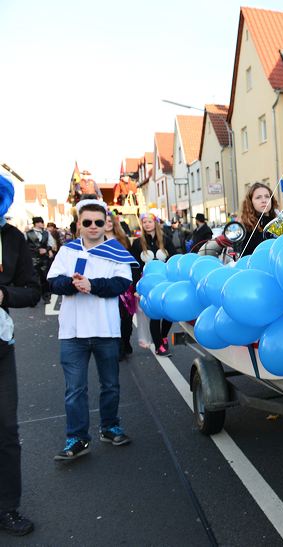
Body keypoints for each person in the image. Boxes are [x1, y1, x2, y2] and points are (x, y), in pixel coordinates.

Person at [47, 199, 136, 461]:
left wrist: (92, 285)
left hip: (106, 330)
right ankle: (77, 438)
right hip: (72, 333)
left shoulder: (116, 251)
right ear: (79, 225)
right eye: (88, 222)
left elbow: (121, 283)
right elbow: (53, 282)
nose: (94, 227)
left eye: (99, 222)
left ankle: (109, 427)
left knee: (110, 384)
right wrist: (74, 285)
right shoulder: (67, 251)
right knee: (75, 388)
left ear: (105, 223)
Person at [0, 175, 40, 536]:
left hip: (0, 348)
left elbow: (32, 292)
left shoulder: (11, 238)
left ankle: (7, 508)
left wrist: (3, 297)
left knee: (6, 430)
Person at [129, 213, 176, 356]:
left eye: (149, 221)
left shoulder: (166, 240)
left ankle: (163, 336)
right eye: (144, 222)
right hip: (148, 284)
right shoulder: (137, 243)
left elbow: (174, 260)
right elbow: (134, 266)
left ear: (155, 223)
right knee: (154, 313)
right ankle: (158, 345)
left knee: (168, 313)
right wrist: (136, 287)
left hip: (166, 282)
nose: (147, 224)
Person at [104, 212, 136, 360]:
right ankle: (118, 347)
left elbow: (131, 262)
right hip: (107, 284)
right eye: (104, 221)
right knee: (112, 317)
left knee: (127, 319)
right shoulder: (97, 241)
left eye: (110, 221)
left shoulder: (123, 240)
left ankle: (126, 340)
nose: (108, 223)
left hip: (124, 285)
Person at [239, 182, 278, 255]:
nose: (264, 200)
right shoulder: (245, 227)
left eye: (267, 196)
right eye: (258, 197)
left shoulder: (279, 222)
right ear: (251, 202)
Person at [26, 217, 54, 304]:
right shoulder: (27, 234)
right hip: (32, 259)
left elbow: (51, 243)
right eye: (41, 222)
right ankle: (32, 299)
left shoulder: (46, 233)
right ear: (36, 223)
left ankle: (46, 297)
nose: (42, 224)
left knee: (45, 278)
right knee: (33, 279)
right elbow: (23, 246)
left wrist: (47, 249)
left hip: (44, 259)